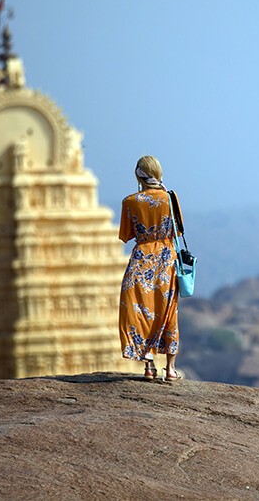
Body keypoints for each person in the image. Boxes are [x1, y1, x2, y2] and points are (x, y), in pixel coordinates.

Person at [118, 155, 183, 381]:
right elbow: (178, 232)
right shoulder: (170, 198)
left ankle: (148, 366)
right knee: (168, 311)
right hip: (166, 260)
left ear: (138, 175)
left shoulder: (130, 202)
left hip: (141, 260)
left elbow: (127, 235)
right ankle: (171, 369)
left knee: (139, 310)